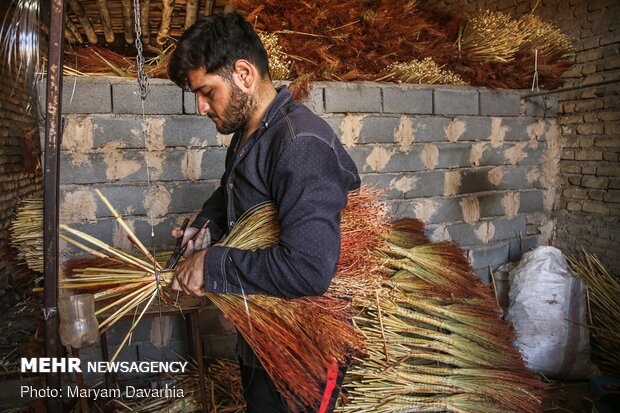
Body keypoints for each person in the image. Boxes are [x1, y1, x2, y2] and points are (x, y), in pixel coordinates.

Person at [168, 12, 360, 413]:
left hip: (305, 347)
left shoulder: (300, 142)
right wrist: (205, 226)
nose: (202, 107)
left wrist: (212, 264)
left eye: (207, 91)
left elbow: (309, 269)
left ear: (243, 73)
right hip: (263, 333)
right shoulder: (248, 135)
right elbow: (230, 194)